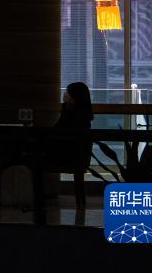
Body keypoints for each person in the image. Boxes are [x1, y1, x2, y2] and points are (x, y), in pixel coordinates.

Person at [50, 81, 94, 210]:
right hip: (77, 156)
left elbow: (57, 130)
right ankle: (80, 203)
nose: (65, 95)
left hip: (70, 156)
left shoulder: (72, 114)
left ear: (75, 97)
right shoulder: (85, 115)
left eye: (68, 93)